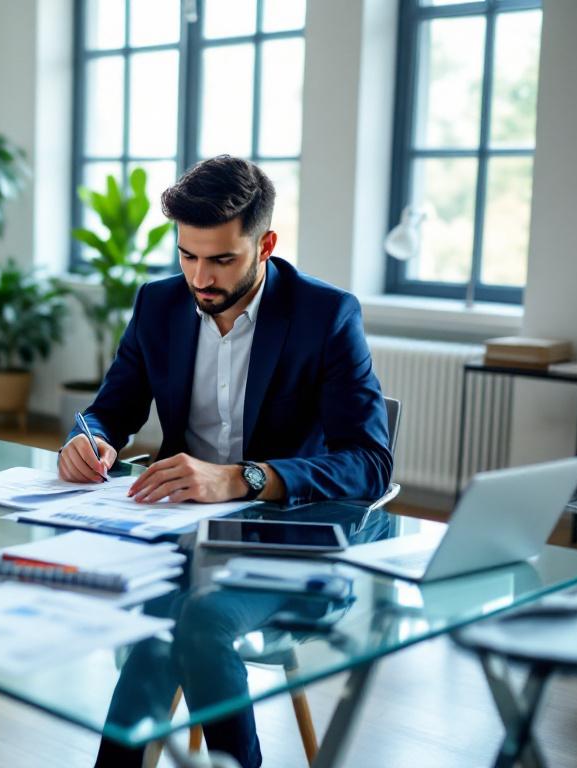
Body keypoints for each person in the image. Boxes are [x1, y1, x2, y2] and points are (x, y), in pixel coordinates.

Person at [58, 156, 392, 767]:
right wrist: (89, 439)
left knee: (197, 620)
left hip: (287, 534)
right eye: (187, 256)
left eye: (221, 259)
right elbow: (108, 409)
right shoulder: (159, 306)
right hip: (178, 533)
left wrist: (244, 477)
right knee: (160, 622)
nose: (199, 278)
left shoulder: (326, 316)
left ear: (265, 244)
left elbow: (370, 462)